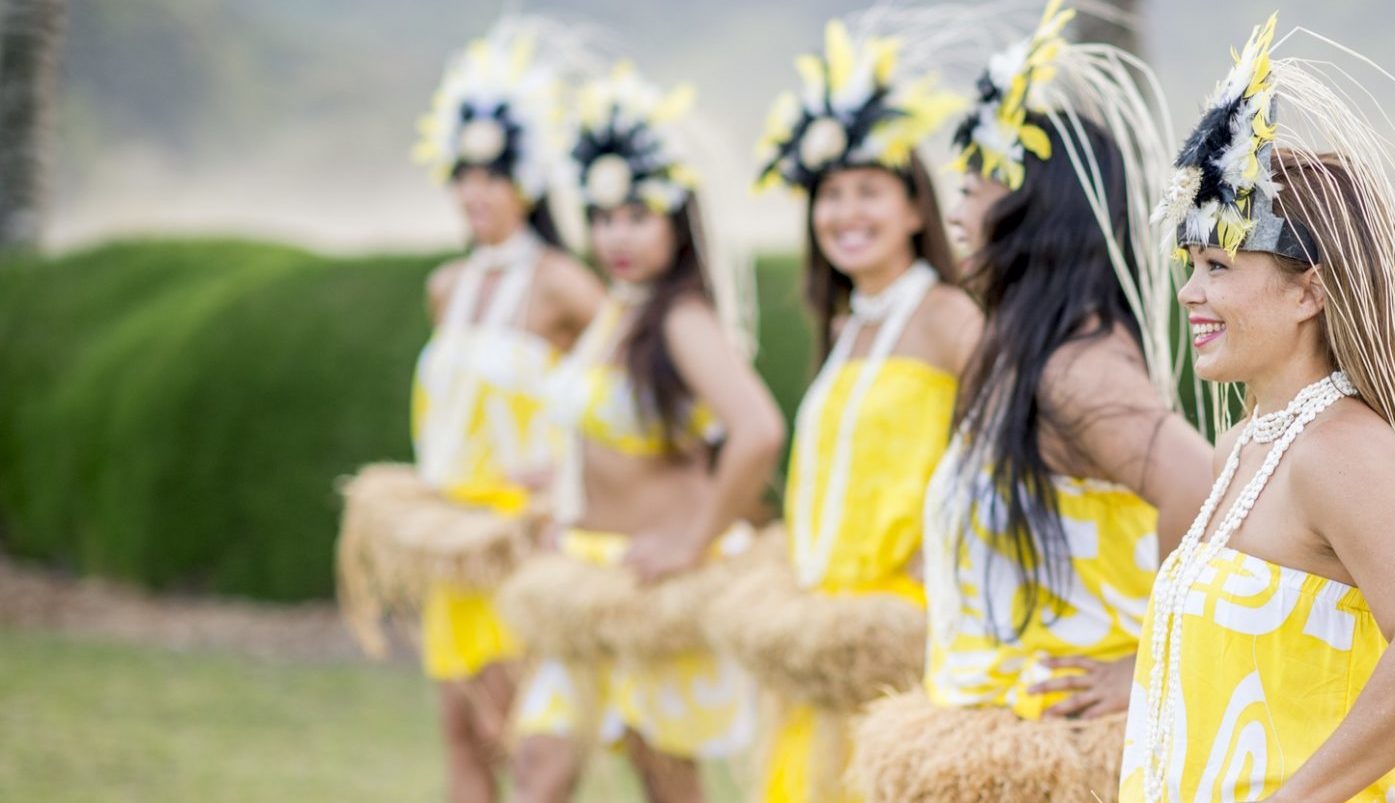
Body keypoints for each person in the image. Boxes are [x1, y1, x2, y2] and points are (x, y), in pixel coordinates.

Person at [1118, 15, 1395, 802]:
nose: (1192, 291)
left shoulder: (1339, 448)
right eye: (1190, 265)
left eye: (1218, 264)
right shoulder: (1242, 445)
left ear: (1309, 290)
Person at [844, 4, 1210, 800]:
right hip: (999, 741)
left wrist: (1144, 662)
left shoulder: (1079, 370)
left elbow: (1205, 487)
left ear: (1038, 208)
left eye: (977, 185)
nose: (955, 209)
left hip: (1058, 749)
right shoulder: (1024, 355)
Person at [491, 63, 783, 803]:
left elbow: (756, 431)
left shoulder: (682, 319)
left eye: (636, 216)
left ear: (676, 220)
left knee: (664, 780)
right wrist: (558, 492)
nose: (615, 234)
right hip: (586, 576)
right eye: (604, 215)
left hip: (652, 586)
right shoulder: (620, 312)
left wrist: (693, 540)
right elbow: (601, 435)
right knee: (537, 767)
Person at [708, 17, 978, 803]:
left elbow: (1003, 445)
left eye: (869, 192)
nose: (846, 212)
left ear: (916, 210)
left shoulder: (946, 316)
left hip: (903, 625)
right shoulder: (846, 325)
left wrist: (946, 552)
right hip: (824, 632)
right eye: (830, 195)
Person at [337, 17, 603, 803]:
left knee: (525, 735)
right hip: (452, 544)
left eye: (494, 174)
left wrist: (568, 470)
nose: (476, 191)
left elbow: (620, 389)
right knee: (460, 731)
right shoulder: (447, 286)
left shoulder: (561, 282)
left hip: (525, 540)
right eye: (465, 174)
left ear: (528, 179)